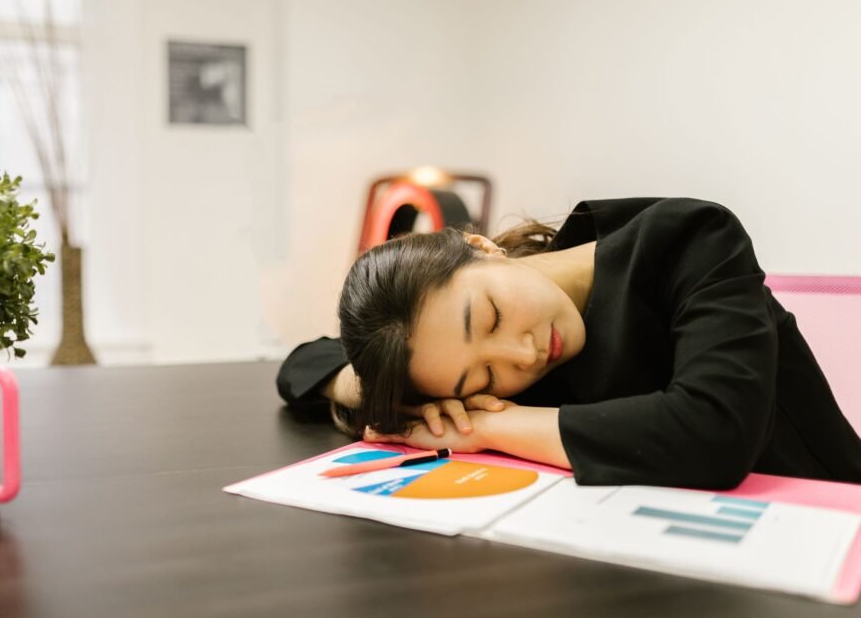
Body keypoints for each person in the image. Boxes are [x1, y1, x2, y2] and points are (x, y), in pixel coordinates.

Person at [277, 197, 861, 489]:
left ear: (481, 247)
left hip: (825, 526)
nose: (522, 356)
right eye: (478, 381)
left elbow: (716, 432)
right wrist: (394, 391)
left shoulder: (688, 239)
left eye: (491, 317)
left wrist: (483, 424)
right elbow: (303, 363)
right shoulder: (472, 348)